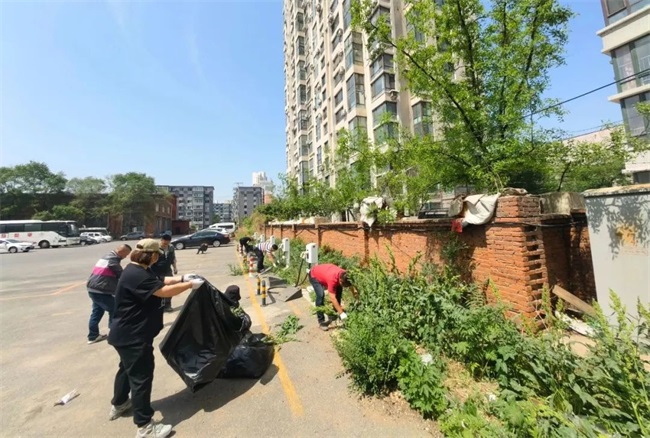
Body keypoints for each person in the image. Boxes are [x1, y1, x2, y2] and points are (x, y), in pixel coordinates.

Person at [107, 238, 204, 438]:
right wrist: (189, 286)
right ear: (150, 255)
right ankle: (145, 427)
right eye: (157, 255)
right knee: (141, 378)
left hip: (125, 334)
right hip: (134, 336)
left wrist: (182, 277)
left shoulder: (138, 269)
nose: (158, 258)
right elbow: (162, 291)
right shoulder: (136, 274)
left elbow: (161, 279)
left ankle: (119, 403)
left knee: (127, 370)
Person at [86, 244, 132, 344]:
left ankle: (93, 336)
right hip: (101, 290)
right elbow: (121, 275)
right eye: (126, 254)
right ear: (121, 251)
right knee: (115, 310)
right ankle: (114, 335)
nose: (126, 256)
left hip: (93, 288)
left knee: (97, 312)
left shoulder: (106, 256)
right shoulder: (113, 260)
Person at [308, 263, 358, 331]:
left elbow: (352, 288)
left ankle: (335, 315)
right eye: (344, 285)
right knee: (320, 295)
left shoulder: (346, 275)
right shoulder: (332, 279)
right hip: (314, 275)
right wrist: (342, 314)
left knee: (339, 292)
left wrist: (357, 299)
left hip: (325, 272)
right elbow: (332, 298)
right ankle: (321, 321)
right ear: (340, 281)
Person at [151, 234, 177, 312]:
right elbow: (150, 260)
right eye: (164, 243)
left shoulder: (171, 248)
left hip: (167, 270)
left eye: (168, 242)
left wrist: (175, 268)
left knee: (170, 288)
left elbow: (173, 258)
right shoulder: (155, 248)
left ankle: (167, 305)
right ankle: (157, 305)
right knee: (158, 288)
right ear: (161, 240)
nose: (166, 244)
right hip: (156, 271)